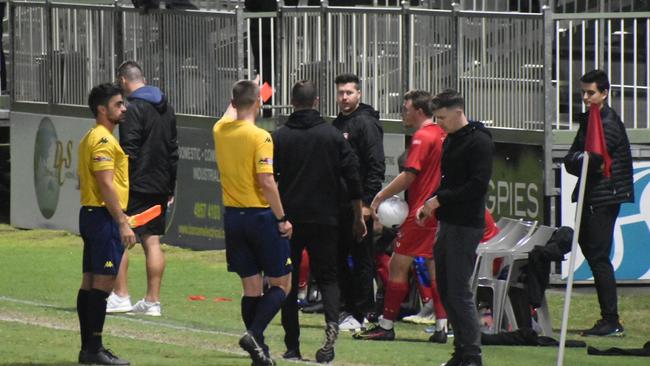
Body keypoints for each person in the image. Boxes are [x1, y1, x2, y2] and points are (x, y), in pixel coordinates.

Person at [274, 80, 367, 363]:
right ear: (317, 102)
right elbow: (352, 176)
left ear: (292, 102)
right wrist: (357, 214)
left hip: (289, 218)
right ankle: (331, 326)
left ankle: (292, 346)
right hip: (326, 217)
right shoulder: (333, 136)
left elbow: (269, 180)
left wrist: (277, 217)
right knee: (328, 277)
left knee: (287, 280)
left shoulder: (279, 137)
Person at [353, 90, 448, 342]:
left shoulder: (422, 137)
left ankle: (385, 325)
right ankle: (442, 326)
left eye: (405, 109)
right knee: (433, 267)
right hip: (437, 211)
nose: (402, 113)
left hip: (419, 214)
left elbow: (409, 175)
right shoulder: (442, 134)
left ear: (418, 111)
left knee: (397, 265)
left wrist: (380, 196)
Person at [213, 79, 293, 366]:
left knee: (251, 287)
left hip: (233, 217)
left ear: (233, 103)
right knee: (282, 284)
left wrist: (252, 88)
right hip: (260, 216)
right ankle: (254, 333)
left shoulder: (220, 130)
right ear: (259, 104)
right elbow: (266, 180)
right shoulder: (261, 137)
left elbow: (232, 108)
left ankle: (259, 354)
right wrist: (282, 218)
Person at [417, 89, 493, 366]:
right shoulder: (450, 140)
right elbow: (448, 182)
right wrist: (430, 204)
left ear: (458, 112)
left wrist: (439, 200)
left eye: (443, 118)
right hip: (447, 222)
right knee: (447, 288)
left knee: (459, 290)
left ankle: (472, 354)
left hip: (466, 224)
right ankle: (461, 351)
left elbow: (477, 186)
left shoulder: (479, 142)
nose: (439, 124)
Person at [563, 69, 633, 337]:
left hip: (604, 197)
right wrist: (579, 160)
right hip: (595, 195)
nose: (585, 97)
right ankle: (609, 319)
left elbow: (592, 162)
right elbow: (572, 159)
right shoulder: (591, 120)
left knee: (599, 257)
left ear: (605, 93)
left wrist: (580, 160)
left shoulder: (608, 124)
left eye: (590, 92)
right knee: (594, 254)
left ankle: (611, 320)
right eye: (583, 92)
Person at [107, 61, 178, 317]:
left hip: (135, 184)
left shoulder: (131, 109)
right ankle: (152, 301)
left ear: (123, 81)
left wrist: (120, 183)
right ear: (143, 78)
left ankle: (120, 295)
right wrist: (171, 185)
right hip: (160, 183)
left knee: (119, 236)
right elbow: (173, 149)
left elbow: (129, 150)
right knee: (153, 240)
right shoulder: (166, 107)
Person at [76, 83, 135, 365]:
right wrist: (122, 221)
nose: (124, 108)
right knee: (102, 285)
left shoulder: (93, 136)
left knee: (89, 283)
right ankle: (94, 349)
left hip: (92, 214)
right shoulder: (102, 140)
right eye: (118, 104)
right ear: (102, 109)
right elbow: (106, 183)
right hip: (103, 216)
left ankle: (89, 348)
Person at [333, 73, 385, 331]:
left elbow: (376, 165)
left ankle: (364, 312)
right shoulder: (338, 123)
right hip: (339, 205)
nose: (344, 97)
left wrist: (367, 204)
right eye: (341, 93)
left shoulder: (366, 124)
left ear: (359, 94)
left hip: (358, 205)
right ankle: (347, 309)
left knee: (362, 258)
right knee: (340, 256)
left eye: (349, 93)